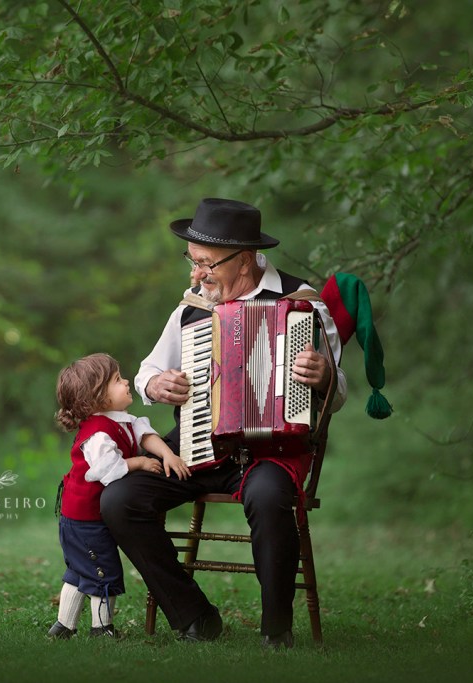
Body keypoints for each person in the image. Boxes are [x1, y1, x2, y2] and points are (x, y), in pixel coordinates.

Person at [100, 198, 348, 649]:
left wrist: (326, 376)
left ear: (246, 260)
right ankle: (194, 616)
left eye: (206, 264)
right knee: (120, 499)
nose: (196, 275)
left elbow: (340, 392)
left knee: (270, 496)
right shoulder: (192, 309)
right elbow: (146, 373)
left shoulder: (302, 304)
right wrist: (158, 386)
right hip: (195, 446)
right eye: (192, 262)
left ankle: (277, 630)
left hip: (271, 453)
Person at [49, 353, 191, 639]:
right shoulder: (98, 433)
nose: (126, 381)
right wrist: (139, 463)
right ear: (97, 397)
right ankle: (101, 629)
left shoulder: (120, 419)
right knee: (103, 572)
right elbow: (107, 469)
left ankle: (63, 627)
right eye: (117, 380)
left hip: (84, 516)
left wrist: (167, 453)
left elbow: (145, 434)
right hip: (84, 519)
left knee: (81, 571)